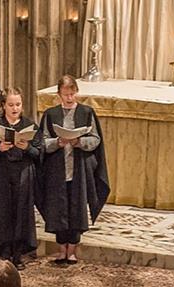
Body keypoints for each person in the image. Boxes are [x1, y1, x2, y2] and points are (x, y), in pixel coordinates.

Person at [38, 75, 110, 265]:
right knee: (59, 208)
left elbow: (95, 139)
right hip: (57, 170)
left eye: (72, 94)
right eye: (65, 94)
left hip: (79, 169)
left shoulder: (86, 112)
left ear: (76, 91)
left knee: (76, 208)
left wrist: (80, 142)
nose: (69, 98)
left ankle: (73, 249)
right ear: (59, 94)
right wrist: (57, 142)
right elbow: (42, 141)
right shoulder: (51, 114)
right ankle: (62, 249)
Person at [0, 87, 40, 269]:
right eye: (11, 105)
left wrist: (27, 148)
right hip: (1, 173)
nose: (15, 108)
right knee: (2, 212)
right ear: (3, 106)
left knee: (21, 211)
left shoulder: (29, 125)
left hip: (23, 173)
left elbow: (39, 152)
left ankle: (18, 252)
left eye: (18, 104)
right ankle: (4, 250)